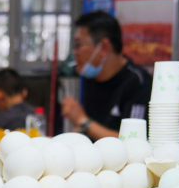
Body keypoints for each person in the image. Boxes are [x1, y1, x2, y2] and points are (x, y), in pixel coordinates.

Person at [60, 11, 151, 140]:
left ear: (103, 47)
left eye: (79, 45)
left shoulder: (139, 84)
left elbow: (134, 141)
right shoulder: (91, 77)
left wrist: (83, 121)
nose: (75, 53)